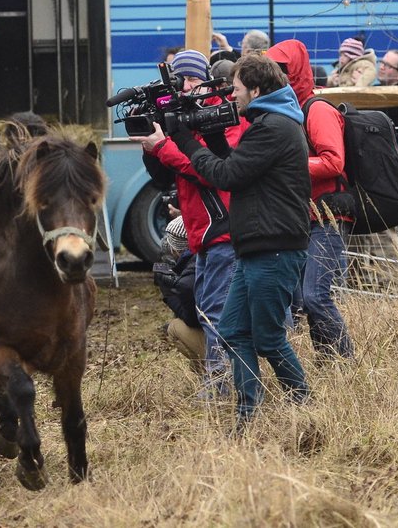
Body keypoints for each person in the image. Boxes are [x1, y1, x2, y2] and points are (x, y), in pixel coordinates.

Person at [171, 54, 312, 428]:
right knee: (233, 331)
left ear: (256, 89)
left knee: (268, 339)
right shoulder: (268, 123)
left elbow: (228, 175)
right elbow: (243, 167)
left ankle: (305, 404)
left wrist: (186, 141)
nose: (231, 97)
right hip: (256, 247)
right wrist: (215, 139)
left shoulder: (274, 127)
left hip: (275, 248)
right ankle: (248, 414)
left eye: (235, 90)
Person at [133, 49, 245, 398]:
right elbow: (168, 175)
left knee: (216, 309)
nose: (187, 87)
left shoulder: (223, 116)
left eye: (194, 79)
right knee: (210, 307)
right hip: (202, 233)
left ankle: (221, 386)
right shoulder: (181, 116)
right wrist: (152, 145)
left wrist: (166, 145)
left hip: (224, 229)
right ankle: (232, 381)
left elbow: (212, 171)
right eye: (181, 80)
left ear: (207, 79)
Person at [267, 39, 355, 360]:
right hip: (306, 215)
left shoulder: (317, 110)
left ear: (296, 73)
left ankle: (345, 363)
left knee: (316, 296)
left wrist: (286, 163)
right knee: (304, 301)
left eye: (282, 71)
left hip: (331, 212)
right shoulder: (287, 113)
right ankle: (328, 364)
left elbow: (334, 162)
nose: (275, 78)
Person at [155, 216, 204, 374]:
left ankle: (210, 372)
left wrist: (169, 292)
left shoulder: (193, 268)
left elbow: (192, 319)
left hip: (224, 344)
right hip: (240, 338)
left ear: (176, 248)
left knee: (174, 328)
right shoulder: (209, 253)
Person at [375, 49, 398, 147]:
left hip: (388, 151)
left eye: (388, 65)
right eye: (381, 62)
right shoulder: (375, 89)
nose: (381, 67)